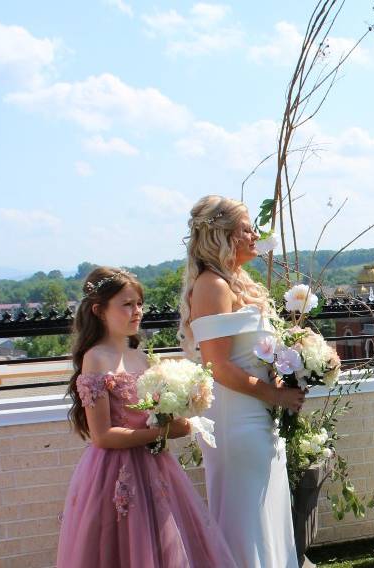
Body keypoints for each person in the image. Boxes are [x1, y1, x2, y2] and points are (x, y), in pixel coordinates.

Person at [57, 267, 237, 568]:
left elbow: (152, 414)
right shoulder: (96, 358)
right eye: (127, 304)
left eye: (139, 303)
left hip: (155, 465)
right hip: (114, 473)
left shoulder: (142, 358)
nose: (137, 311)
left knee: (163, 543)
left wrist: (178, 408)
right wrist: (165, 433)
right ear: (99, 310)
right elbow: (103, 436)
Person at [179, 195, 305, 568]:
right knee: (245, 520)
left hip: (258, 416)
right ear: (225, 235)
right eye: (247, 228)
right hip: (236, 420)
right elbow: (218, 365)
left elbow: (247, 354)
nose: (255, 235)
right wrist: (276, 395)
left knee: (266, 513)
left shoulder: (233, 282)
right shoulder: (212, 286)